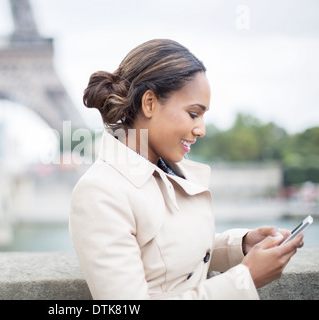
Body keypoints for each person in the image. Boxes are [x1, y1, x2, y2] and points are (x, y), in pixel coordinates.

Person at [69, 39, 304, 300]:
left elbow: (172, 249)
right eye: (193, 114)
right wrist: (244, 280)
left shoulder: (170, 171)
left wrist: (242, 244)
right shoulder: (99, 192)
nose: (201, 129)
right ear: (149, 103)